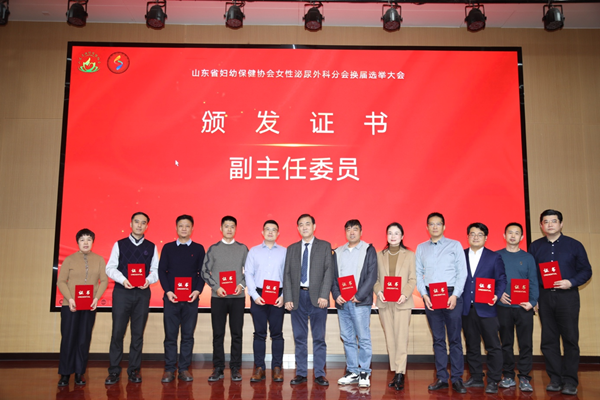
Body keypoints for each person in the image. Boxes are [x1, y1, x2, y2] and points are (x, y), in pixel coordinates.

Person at [529, 209, 592, 396]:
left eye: (554, 221)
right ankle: (555, 379)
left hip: (567, 297)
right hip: (544, 296)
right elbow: (531, 275)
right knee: (549, 340)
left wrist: (570, 282)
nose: (550, 224)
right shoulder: (535, 246)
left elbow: (586, 271)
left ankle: (570, 381)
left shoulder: (574, 245)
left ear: (561, 224)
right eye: (546, 221)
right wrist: (534, 298)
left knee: (570, 339)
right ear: (541, 225)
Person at [416, 212, 467, 394]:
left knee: (454, 339)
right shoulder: (421, 248)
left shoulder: (455, 245)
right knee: (438, 339)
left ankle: (457, 378)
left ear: (444, 227)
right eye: (432, 224)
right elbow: (418, 273)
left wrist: (456, 295)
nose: (435, 227)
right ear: (427, 227)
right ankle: (442, 378)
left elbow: (462, 272)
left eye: (438, 224)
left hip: (451, 294)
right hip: (431, 296)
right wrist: (424, 295)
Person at [105, 212, 159, 385]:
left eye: (143, 223)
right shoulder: (119, 244)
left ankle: (134, 370)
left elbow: (156, 270)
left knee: (137, 334)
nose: (139, 225)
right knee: (117, 333)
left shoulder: (151, 246)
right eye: (136, 222)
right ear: (131, 224)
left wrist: (148, 280)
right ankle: (114, 371)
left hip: (142, 294)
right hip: (122, 292)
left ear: (147, 226)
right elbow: (110, 268)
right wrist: (123, 280)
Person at [283, 214, 334, 386]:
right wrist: (288, 297)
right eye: (301, 224)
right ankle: (301, 373)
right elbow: (287, 275)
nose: (304, 227)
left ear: (314, 226)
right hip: (297, 297)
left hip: (318, 298)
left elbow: (329, 271)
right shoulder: (291, 249)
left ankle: (319, 373)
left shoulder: (325, 246)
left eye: (307, 224)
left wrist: (324, 294)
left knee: (319, 337)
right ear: (297, 228)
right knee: (299, 338)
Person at [56, 228, 108, 387]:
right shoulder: (69, 259)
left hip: (89, 306)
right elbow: (61, 281)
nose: (86, 242)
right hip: (70, 305)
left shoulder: (99, 259)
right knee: (68, 338)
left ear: (93, 242)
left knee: (84, 339)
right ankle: (65, 374)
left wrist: (96, 298)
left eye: (89, 239)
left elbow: (104, 281)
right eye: (82, 239)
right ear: (77, 242)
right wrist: (70, 299)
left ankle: (80, 373)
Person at [158, 215, 206, 382]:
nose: (184, 229)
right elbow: (162, 271)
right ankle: (169, 369)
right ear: (176, 228)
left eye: (187, 226)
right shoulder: (168, 248)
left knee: (187, 336)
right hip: (171, 299)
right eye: (181, 226)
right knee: (170, 336)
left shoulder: (199, 249)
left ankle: (184, 369)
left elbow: (202, 273)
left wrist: (197, 291)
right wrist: (168, 291)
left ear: (192, 228)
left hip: (191, 300)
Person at [201, 215, 248, 382]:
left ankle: (235, 368)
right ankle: (218, 368)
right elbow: (204, 272)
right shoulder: (213, 249)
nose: (229, 229)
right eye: (226, 226)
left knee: (237, 334)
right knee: (218, 334)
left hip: (237, 297)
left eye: (232, 226)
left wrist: (241, 285)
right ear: (221, 229)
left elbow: (250, 272)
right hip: (218, 297)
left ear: (236, 229)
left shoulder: (243, 249)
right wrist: (216, 287)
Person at [461, 222, 507, 394]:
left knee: (493, 346)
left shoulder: (494, 257)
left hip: (487, 308)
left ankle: (494, 379)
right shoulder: (460, 255)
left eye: (480, 234)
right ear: (467, 236)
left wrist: (496, 295)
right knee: (472, 345)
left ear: (486, 238)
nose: (476, 237)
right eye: (472, 234)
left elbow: (501, 279)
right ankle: (476, 377)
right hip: (467, 308)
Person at [332, 219, 378, 388]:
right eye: (349, 229)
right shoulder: (338, 252)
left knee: (363, 337)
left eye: (355, 229)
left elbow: (372, 275)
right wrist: (336, 294)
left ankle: (364, 371)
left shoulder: (368, 249)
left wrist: (359, 295)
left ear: (361, 232)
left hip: (360, 302)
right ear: (345, 232)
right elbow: (333, 277)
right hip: (343, 303)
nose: (352, 232)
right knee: (347, 338)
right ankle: (352, 371)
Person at [373, 222, 416, 391]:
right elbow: (375, 279)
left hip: (402, 302)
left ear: (402, 236)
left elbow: (412, 279)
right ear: (386, 236)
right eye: (390, 233)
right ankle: (395, 371)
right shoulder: (379, 255)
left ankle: (400, 373)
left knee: (401, 338)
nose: (393, 236)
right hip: (385, 302)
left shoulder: (409, 255)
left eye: (396, 233)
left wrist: (404, 294)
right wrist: (379, 292)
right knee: (390, 338)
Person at [497, 222, 538, 392]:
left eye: (516, 233)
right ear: (504, 235)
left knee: (525, 343)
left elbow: (533, 281)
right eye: (510, 232)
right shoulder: (496, 256)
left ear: (522, 237)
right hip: (503, 307)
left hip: (523, 307)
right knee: (505, 343)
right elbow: (491, 279)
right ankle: (507, 375)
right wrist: (498, 293)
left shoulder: (528, 258)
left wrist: (532, 302)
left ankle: (525, 377)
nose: (513, 236)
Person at [245, 220, 287, 383]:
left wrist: (284, 296)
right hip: (259, 294)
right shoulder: (253, 251)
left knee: (277, 334)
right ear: (262, 232)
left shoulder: (284, 252)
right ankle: (259, 368)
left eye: (273, 230)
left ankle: (277, 368)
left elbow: (289, 275)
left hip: (278, 295)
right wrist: (254, 295)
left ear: (278, 233)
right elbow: (248, 274)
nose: (270, 232)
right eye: (267, 229)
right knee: (259, 334)